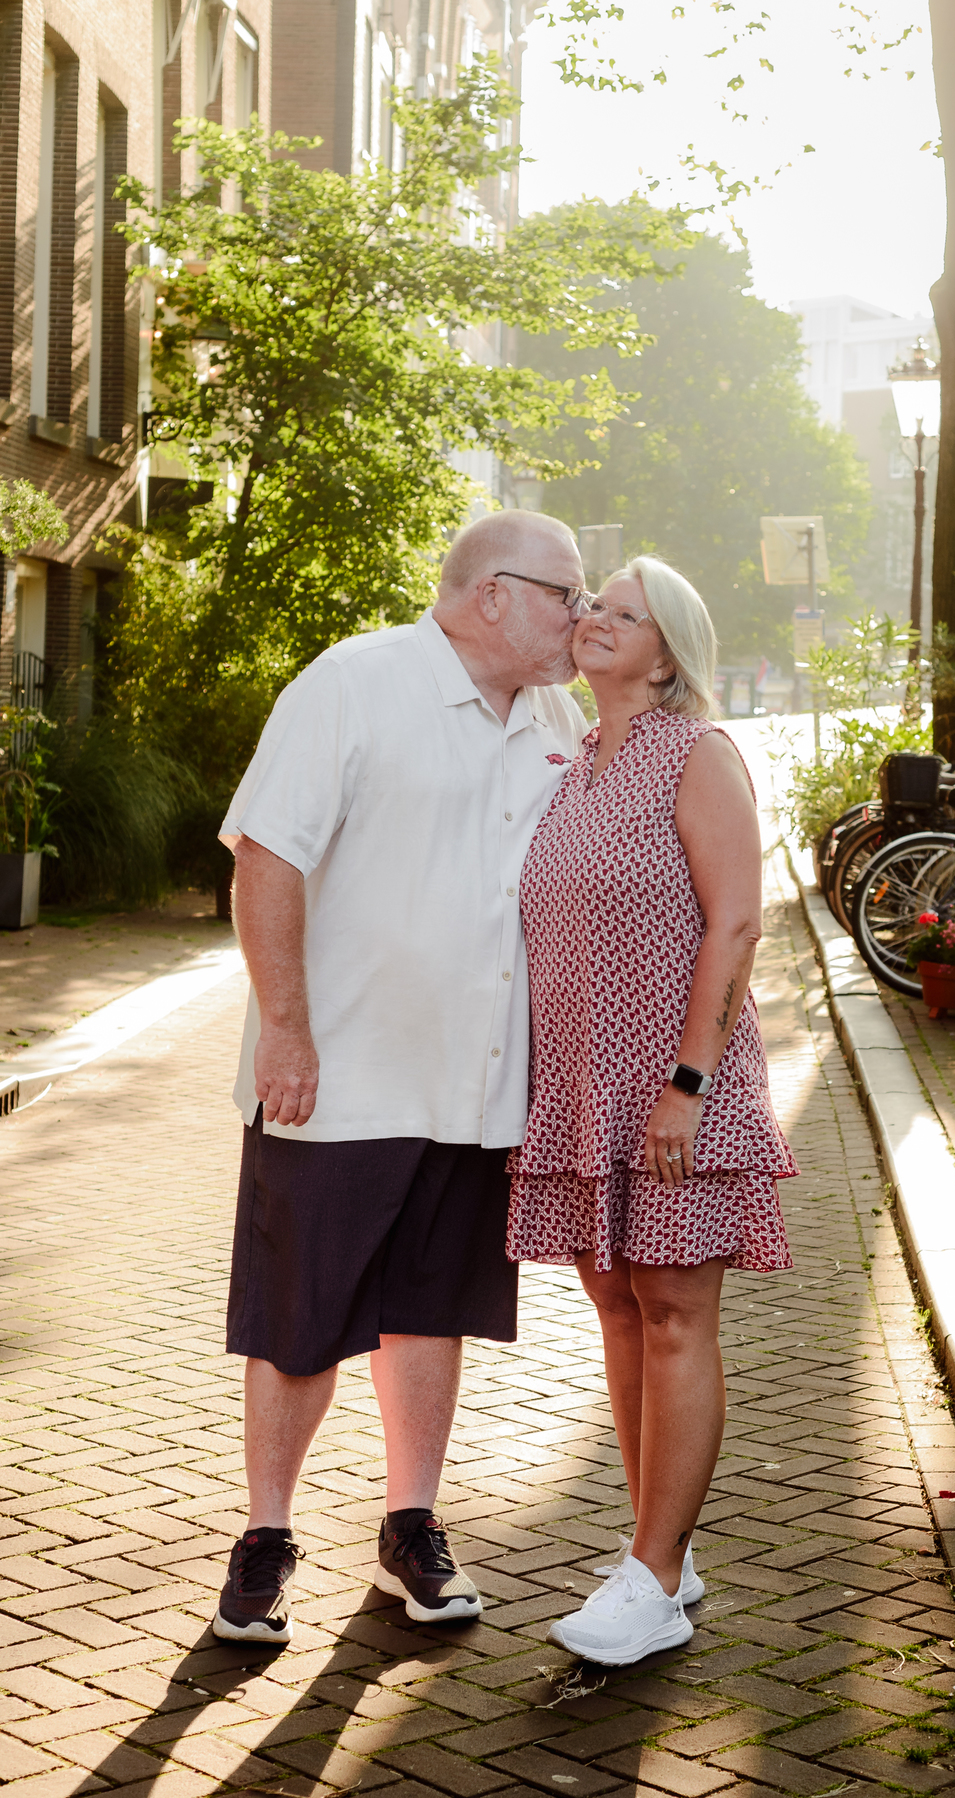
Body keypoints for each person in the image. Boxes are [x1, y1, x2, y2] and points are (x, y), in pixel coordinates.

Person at [212, 510, 591, 1646]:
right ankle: (267, 1534)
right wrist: (286, 1030)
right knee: (299, 1321)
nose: (581, 617)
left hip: (476, 1090)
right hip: (335, 1084)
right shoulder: (354, 683)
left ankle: (409, 1525)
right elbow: (265, 855)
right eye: (565, 594)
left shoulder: (556, 716)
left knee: (432, 1313)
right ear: (493, 597)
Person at [507, 555, 798, 1667]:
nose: (592, 620)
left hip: (679, 1086)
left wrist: (687, 1085)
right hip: (583, 1090)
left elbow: (733, 927)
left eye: (621, 613)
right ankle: (657, 1550)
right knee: (621, 1313)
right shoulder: (573, 765)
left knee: (675, 1313)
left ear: (668, 649)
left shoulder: (698, 754)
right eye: (589, 605)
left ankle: (654, 1573)